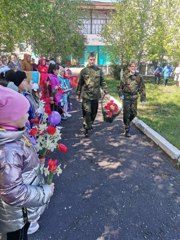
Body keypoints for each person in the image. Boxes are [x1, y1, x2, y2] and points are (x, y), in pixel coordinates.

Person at [0, 86, 54, 240]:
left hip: (19, 212)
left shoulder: (14, 134)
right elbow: (13, 193)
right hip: (17, 215)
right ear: (10, 117)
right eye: (23, 112)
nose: (27, 114)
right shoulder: (8, 150)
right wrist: (45, 191)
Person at [76, 52, 108, 137]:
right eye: (91, 59)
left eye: (94, 60)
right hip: (86, 95)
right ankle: (86, 128)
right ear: (88, 59)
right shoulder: (84, 71)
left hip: (95, 95)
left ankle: (90, 123)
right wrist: (78, 94)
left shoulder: (98, 70)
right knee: (87, 111)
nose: (92, 61)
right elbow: (79, 83)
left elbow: (102, 81)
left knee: (94, 112)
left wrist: (105, 89)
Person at [118, 61, 146, 137]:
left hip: (134, 98)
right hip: (126, 97)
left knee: (134, 113)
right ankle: (127, 129)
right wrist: (120, 94)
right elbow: (120, 87)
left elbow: (142, 88)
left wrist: (143, 99)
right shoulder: (125, 76)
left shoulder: (139, 76)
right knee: (126, 113)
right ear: (129, 67)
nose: (133, 68)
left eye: (135, 66)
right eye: (132, 66)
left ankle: (126, 123)